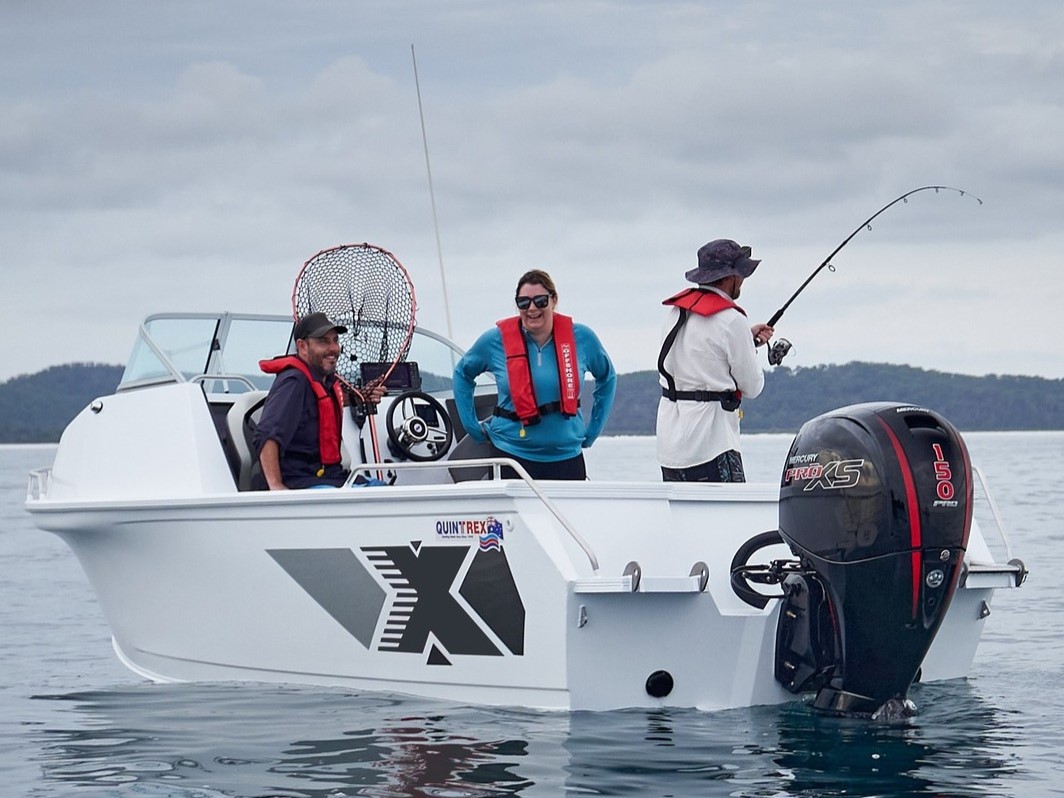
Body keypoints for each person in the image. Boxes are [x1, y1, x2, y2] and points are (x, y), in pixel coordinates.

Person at [452, 269, 617, 480]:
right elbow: (462, 374)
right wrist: (471, 426)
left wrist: (593, 430)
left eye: (540, 301)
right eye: (523, 303)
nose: (532, 308)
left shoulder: (582, 338)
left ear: (554, 300)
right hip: (510, 456)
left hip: (567, 457)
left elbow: (607, 377)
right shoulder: (494, 341)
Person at [656, 239, 774, 483]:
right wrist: (747, 346)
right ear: (729, 278)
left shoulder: (675, 313)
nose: (742, 280)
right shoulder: (732, 320)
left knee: (682, 511)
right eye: (741, 274)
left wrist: (746, 339)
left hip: (670, 448)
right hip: (713, 445)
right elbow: (752, 387)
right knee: (732, 510)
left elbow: (699, 357)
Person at [254, 312, 381, 490]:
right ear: (302, 346)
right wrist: (276, 487)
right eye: (323, 342)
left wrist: (359, 397)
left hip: (331, 477)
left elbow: (321, 405)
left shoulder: (323, 380)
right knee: (378, 497)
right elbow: (266, 435)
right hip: (301, 481)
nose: (333, 348)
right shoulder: (294, 382)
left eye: (335, 340)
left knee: (385, 490)